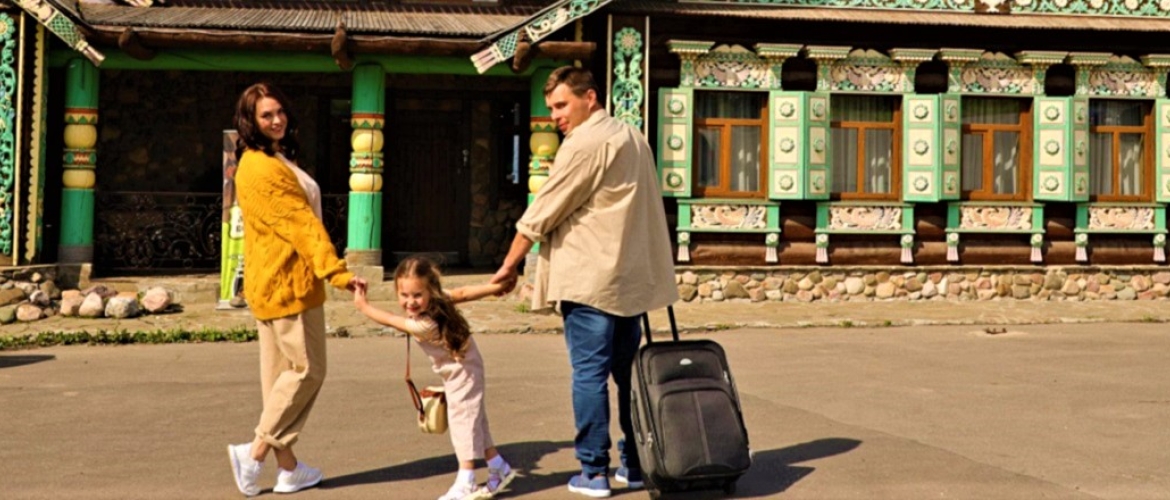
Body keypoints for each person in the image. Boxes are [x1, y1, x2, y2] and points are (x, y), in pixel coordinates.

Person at [491, 66, 678, 498]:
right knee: (627, 376)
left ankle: (593, 471)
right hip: (627, 279)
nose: (555, 116)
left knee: (589, 375)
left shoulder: (585, 142)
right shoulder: (633, 137)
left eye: (561, 105)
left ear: (589, 97)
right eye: (551, 108)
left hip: (589, 279)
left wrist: (509, 264)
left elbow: (544, 210)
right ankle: (635, 463)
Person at [226, 82, 367, 497]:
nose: (276, 120)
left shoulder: (267, 160)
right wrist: (337, 273)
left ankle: (287, 470)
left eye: (280, 112)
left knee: (278, 383)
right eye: (266, 115)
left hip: (271, 282)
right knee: (307, 371)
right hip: (289, 284)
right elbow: (302, 225)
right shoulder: (263, 168)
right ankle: (254, 453)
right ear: (250, 122)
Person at [355, 256, 518, 500]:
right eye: (404, 295)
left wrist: (363, 305)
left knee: (462, 422)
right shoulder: (439, 300)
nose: (410, 302)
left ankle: (466, 480)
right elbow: (464, 293)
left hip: (463, 372)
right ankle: (497, 465)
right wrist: (496, 287)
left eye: (417, 295)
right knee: (473, 419)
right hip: (461, 368)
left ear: (430, 291)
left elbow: (390, 320)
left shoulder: (425, 324)